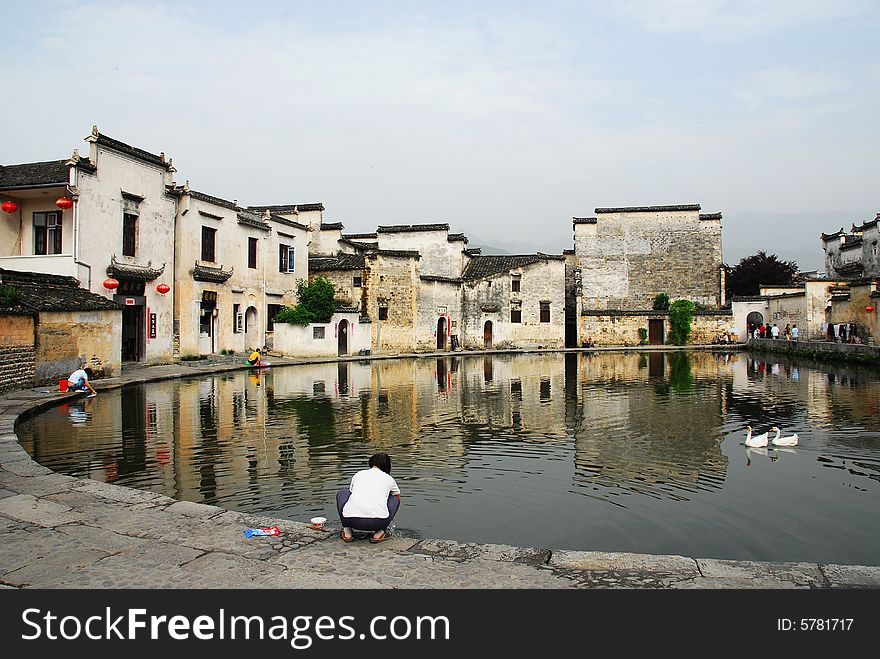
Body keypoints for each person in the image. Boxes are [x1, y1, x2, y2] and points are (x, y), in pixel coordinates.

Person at [337, 451, 401, 543]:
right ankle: (380, 531)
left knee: (343, 492)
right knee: (394, 497)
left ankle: (347, 531)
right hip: (379, 522)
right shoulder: (389, 479)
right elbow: (398, 497)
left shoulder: (358, 474)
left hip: (350, 520)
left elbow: (351, 494)